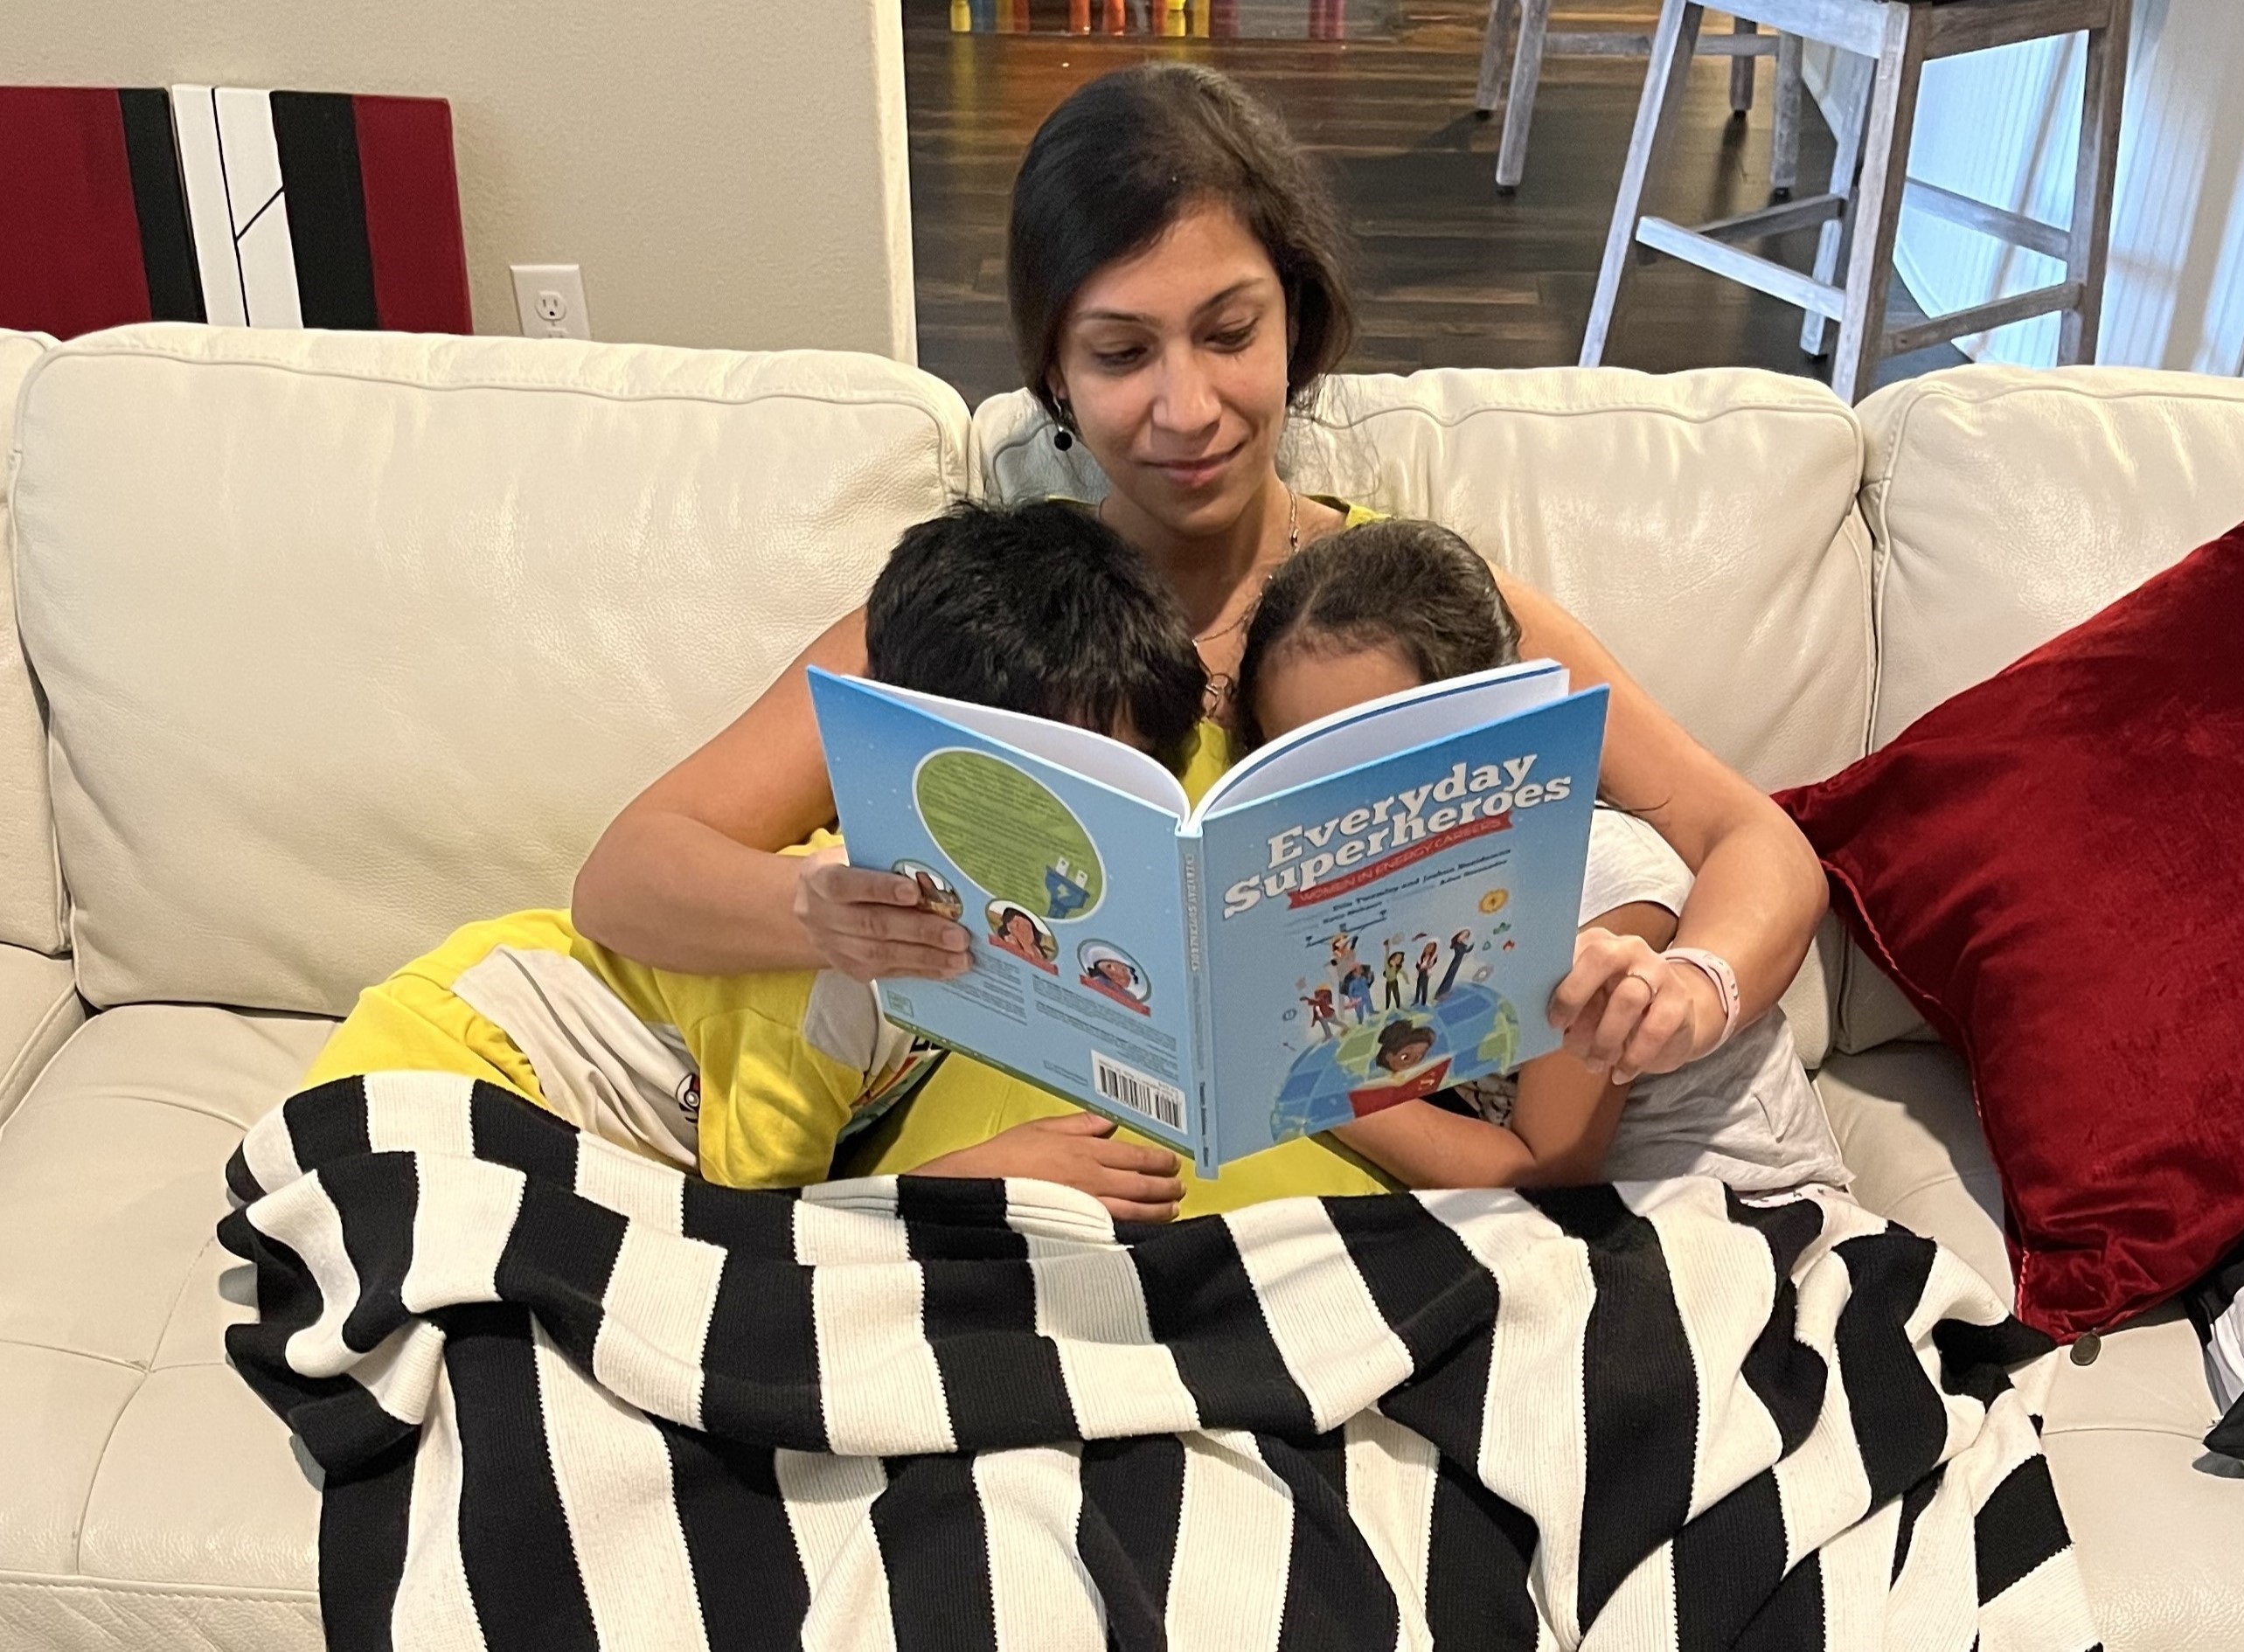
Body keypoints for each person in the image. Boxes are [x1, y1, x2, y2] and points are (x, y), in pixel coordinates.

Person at [567, 62, 1827, 1197]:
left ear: (1298, 319)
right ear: (1054, 372)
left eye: (1231, 333)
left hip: (1347, 1248)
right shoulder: (990, 617)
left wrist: (1694, 985)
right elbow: (626, 874)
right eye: (1121, 352)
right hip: (1016, 1227)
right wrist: (821, 910)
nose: (1188, 408)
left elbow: (1747, 834)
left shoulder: (1418, 609)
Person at [298, 501, 1198, 1218]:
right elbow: (753, 1237)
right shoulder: (842, 956)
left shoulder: (958, 957)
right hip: (424, 1087)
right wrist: (965, 1185)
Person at [1235, 518, 1851, 1194]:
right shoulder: (1383, 896)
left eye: (1381, 768)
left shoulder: (1596, 894)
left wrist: (1289, 1075)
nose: (1345, 820)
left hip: (1739, 1208)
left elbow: (1545, 1172)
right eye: (1304, 777)